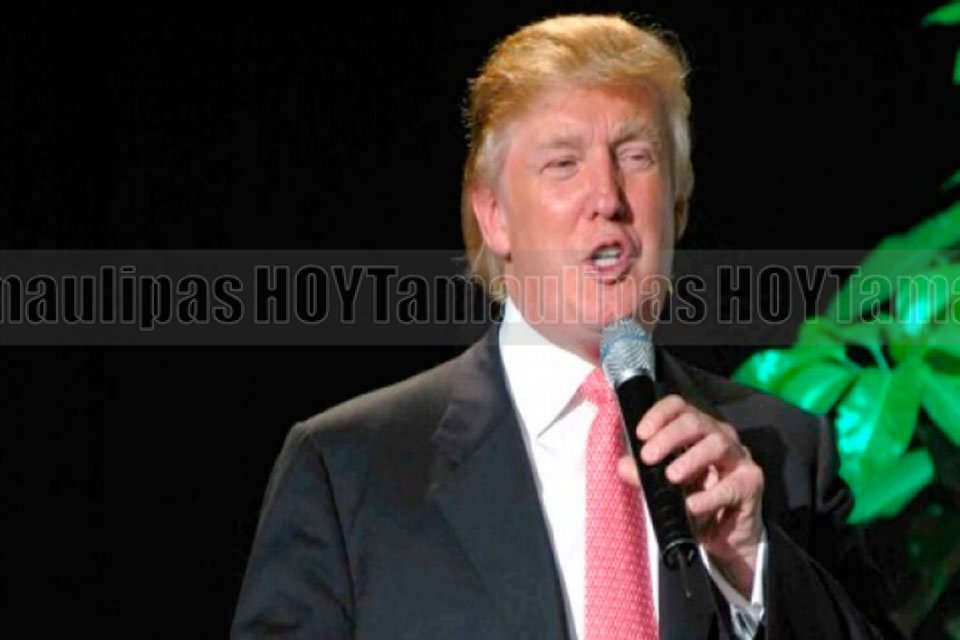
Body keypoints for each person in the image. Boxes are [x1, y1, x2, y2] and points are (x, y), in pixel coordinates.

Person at [231, 14, 900, 639]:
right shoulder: (349, 467)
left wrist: (751, 563)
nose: (607, 198)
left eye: (635, 156)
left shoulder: (782, 456)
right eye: (563, 163)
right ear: (495, 217)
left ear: (678, 207)